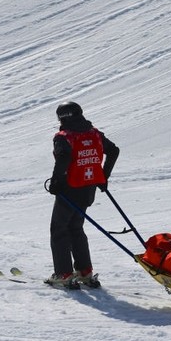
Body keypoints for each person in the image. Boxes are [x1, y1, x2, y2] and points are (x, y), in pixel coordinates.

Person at [46, 101, 119, 288]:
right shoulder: (93, 132)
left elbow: (63, 158)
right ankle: (84, 271)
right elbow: (113, 151)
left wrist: (56, 182)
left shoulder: (64, 137)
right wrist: (103, 177)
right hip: (88, 188)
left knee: (59, 229)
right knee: (76, 227)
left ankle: (64, 273)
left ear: (62, 117)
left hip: (70, 188)